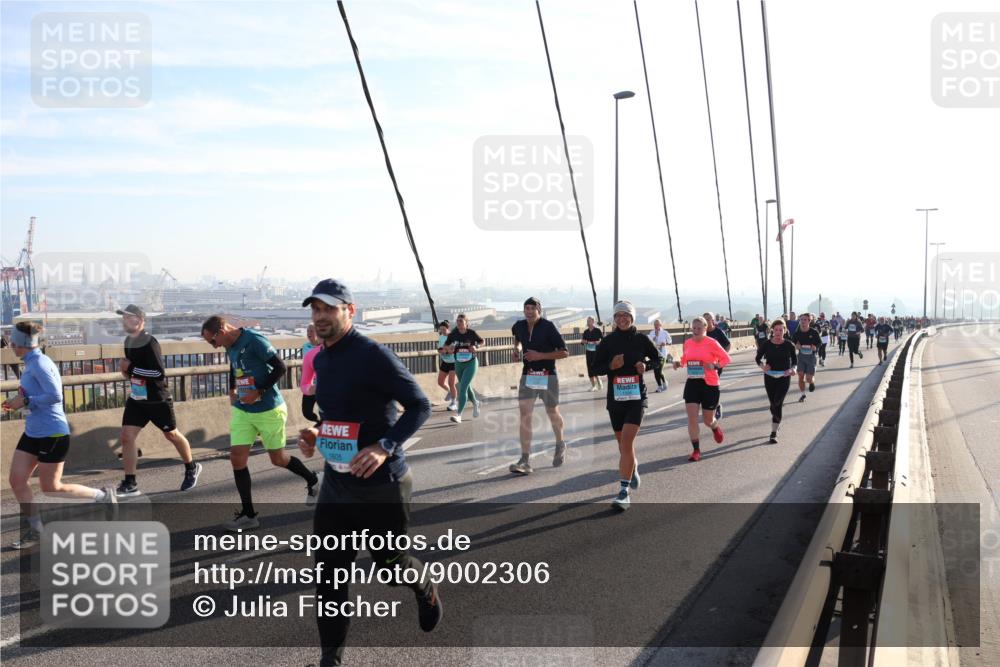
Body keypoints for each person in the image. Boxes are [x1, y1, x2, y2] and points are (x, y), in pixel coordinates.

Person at [296, 279, 440, 667]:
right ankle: (331, 660)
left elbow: (420, 406)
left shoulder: (373, 355)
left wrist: (384, 446)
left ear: (349, 311)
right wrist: (317, 432)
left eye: (329, 308)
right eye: (315, 309)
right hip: (337, 485)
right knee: (328, 578)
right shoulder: (322, 358)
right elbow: (339, 415)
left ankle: (423, 586)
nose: (320, 316)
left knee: (391, 569)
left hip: (381, 485)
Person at [3, 322, 116, 549]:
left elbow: (55, 395)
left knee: (51, 487)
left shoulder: (40, 364)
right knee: (16, 480)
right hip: (33, 432)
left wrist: (25, 401)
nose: (11, 345)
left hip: (53, 433)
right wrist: (19, 401)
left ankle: (102, 496)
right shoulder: (31, 362)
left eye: (13, 342)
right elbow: (35, 394)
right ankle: (36, 530)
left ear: (22, 344)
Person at [202, 315, 319, 531]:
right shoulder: (230, 345)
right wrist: (231, 388)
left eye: (213, 340)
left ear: (222, 329)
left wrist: (259, 390)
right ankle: (249, 515)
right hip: (243, 410)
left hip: (269, 410)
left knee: (278, 459)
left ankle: (312, 480)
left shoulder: (254, 340)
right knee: (237, 459)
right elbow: (234, 366)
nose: (214, 346)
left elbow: (280, 367)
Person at [115, 304, 201, 496]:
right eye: (123, 318)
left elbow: (158, 373)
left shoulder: (149, 342)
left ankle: (191, 467)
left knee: (171, 435)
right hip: (137, 399)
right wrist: (125, 371)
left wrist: (131, 369)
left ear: (140, 320)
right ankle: (130, 482)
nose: (124, 321)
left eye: (128, 317)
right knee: (126, 437)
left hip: (157, 399)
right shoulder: (128, 341)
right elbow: (132, 372)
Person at [592, 301, 660, 511]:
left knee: (627, 443)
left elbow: (658, 359)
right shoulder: (608, 341)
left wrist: (646, 366)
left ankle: (623, 493)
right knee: (623, 446)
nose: (622, 318)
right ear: (614, 318)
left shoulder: (641, 339)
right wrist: (611, 366)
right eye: (618, 315)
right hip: (615, 400)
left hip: (636, 397)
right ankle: (633, 468)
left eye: (626, 315)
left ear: (632, 318)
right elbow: (595, 367)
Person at [509, 297, 569, 474]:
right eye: (526, 308)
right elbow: (517, 339)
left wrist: (539, 356)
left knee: (552, 413)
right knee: (525, 415)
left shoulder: (548, 327)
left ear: (539, 311)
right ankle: (525, 459)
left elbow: (564, 352)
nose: (529, 311)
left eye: (532, 308)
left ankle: (560, 443)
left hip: (548, 376)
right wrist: (516, 350)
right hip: (528, 376)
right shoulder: (519, 325)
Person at [673, 316, 731, 462]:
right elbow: (685, 360)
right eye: (694, 328)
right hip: (693, 383)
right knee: (692, 418)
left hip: (710, 384)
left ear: (706, 328)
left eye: (699, 328)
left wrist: (715, 366)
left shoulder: (712, 343)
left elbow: (726, 359)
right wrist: (678, 363)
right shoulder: (687, 343)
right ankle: (696, 450)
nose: (696, 330)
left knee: (707, 420)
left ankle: (714, 426)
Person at [755, 319, 797, 444]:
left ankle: (773, 432)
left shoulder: (789, 345)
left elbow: (795, 361)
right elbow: (757, 358)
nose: (778, 332)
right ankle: (776, 418)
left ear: (785, 331)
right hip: (769, 376)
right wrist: (763, 366)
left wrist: (793, 369)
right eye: (776, 330)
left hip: (784, 376)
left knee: (777, 402)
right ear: (772, 330)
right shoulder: (766, 344)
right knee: (773, 403)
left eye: (781, 330)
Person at [444, 313, 484, 424]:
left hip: (471, 363)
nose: (459, 323)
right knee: (467, 387)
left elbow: (482, 341)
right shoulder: (454, 334)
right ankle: (475, 403)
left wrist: (476, 346)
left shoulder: (471, 333)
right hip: (458, 363)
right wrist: (450, 348)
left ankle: (459, 415)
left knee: (463, 387)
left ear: (466, 323)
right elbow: (446, 346)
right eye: (457, 321)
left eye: (461, 321)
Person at [703, 312, 731, 419]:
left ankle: (716, 405)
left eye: (708, 319)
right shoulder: (701, 333)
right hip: (703, 365)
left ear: (713, 320)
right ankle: (711, 406)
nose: (706, 321)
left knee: (713, 386)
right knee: (704, 386)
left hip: (716, 365)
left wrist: (723, 358)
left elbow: (728, 344)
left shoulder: (718, 332)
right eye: (704, 319)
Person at [791, 312, 822, 401]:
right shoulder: (797, 333)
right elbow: (794, 342)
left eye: (805, 320)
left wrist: (815, 347)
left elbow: (819, 343)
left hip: (811, 357)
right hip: (801, 357)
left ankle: (811, 383)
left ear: (809, 321)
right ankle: (802, 394)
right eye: (801, 320)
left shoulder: (814, 332)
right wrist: (796, 345)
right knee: (800, 375)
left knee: (808, 379)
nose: (803, 321)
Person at [435, 321, 458, 411]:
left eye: (444, 329)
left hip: (453, 362)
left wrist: (447, 351)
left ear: (448, 328)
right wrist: (440, 351)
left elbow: (454, 349)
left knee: (451, 383)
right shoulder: (441, 337)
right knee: (440, 382)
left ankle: (454, 403)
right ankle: (450, 393)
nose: (442, 331)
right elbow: (440, 348)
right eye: (441, 329)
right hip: (445, 361)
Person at [647, 319, 672, 392]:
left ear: (660, 325)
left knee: (659, 371)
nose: (656, 326)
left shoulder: (665, 333)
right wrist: (653, 339)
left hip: (662, 354)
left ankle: (664, 382)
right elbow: (649, 342)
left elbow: (670, 341)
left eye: (657, 324)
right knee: (655, 371)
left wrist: (666, 343)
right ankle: (659, 386)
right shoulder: (651, 333)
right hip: (654, 355)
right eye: (655, 325)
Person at [581, 316, 604, 392]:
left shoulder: (597, 330)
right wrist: (584, 342)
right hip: (588, 352)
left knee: (595, 367)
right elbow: (582, 341)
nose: (588, 322)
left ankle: (599, 382)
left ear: (593, 322)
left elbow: (603, 340)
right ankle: (593, 385)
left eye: (589, 321)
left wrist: (598, 342)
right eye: (587, 321)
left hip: (596, 352)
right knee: (589, 368)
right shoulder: (586, 331)